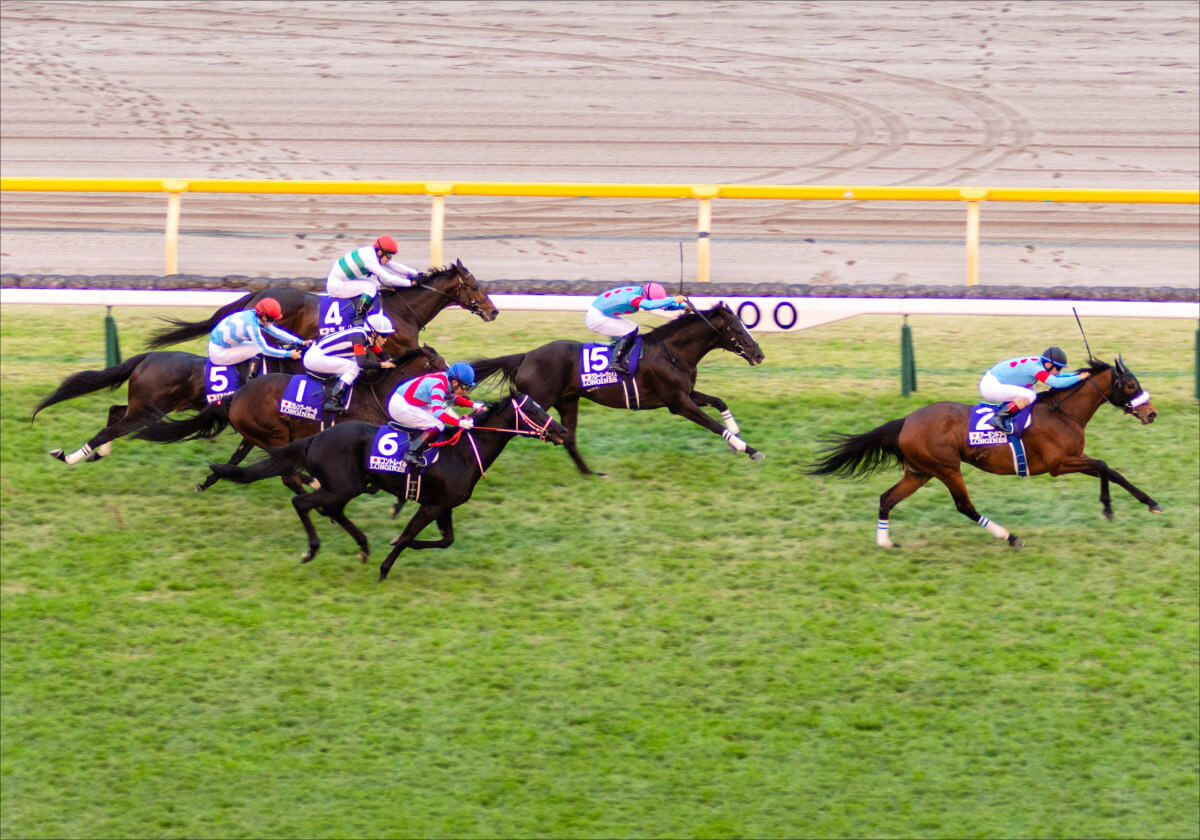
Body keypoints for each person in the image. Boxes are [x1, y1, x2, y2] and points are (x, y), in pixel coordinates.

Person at [386, 362, 486, 466]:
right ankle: (411, 453)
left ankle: (423, 441)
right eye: (464, 387)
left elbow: (452, 398)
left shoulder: (447, 380)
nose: (465, 391)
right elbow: (438, 412)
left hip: (409, 401)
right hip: (399, 405)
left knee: (440, 423)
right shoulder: (439, 385)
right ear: (455, 382)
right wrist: (459, 423)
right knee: (437, 425)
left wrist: (474, 405)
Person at [301, 310, 397, 414]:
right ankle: (333, 401)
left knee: (354, 363)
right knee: (354, 366)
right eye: (384, 336)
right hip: (314, 358)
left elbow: (382, 354)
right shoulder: (359, 337)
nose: (386, 340)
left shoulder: (367, 336)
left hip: (320, 354)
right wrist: (383, 365)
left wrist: (392, 362)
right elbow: (362, 363)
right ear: (374, 333)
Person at [979, 346, 1091, 432]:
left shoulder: (1040, 363)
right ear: (1048, 364)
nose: (1059, 371)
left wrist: (1078, 376)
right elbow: (1056, 383)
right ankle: (999, 418)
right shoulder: (1035, 368)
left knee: (1031, 394)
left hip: (996, 381)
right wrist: (1079, 377)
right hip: (990, 386)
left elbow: (1058, 377)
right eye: (1058, 368)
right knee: (1029, 395)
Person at [585, 282, 687, 374]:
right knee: (630, 329)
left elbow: (661, 305)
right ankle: (614, 362)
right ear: (645, 295)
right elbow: (649, 305)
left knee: (631, 328)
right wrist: (674, 299)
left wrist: (682, 306)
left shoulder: (641, 292)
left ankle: (620, 353)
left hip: (602, 313)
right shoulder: (633, 297)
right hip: (596, 317)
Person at [325, 235, 420, 322]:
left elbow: (394, 266)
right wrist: (411, 283)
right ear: (380, 251)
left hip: (343, 280)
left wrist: (416, 273)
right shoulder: (369, 258)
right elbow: (388, 279)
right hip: (336, 286)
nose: (389, 258)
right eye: (388, 255)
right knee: (371, 286)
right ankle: (358, 318)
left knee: (374, 283)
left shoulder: (372, 253)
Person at [208, 298, 306, 378]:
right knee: (257, 349)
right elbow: (265, 350)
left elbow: (276, 332)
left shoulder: (253, 314)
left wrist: (300, 342)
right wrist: (289, 354)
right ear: (264, 317)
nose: (274, 321)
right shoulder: (251, 326)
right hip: (219, 353)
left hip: (224, 345)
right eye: (273, 319)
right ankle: (251, 378)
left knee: (255, 346)